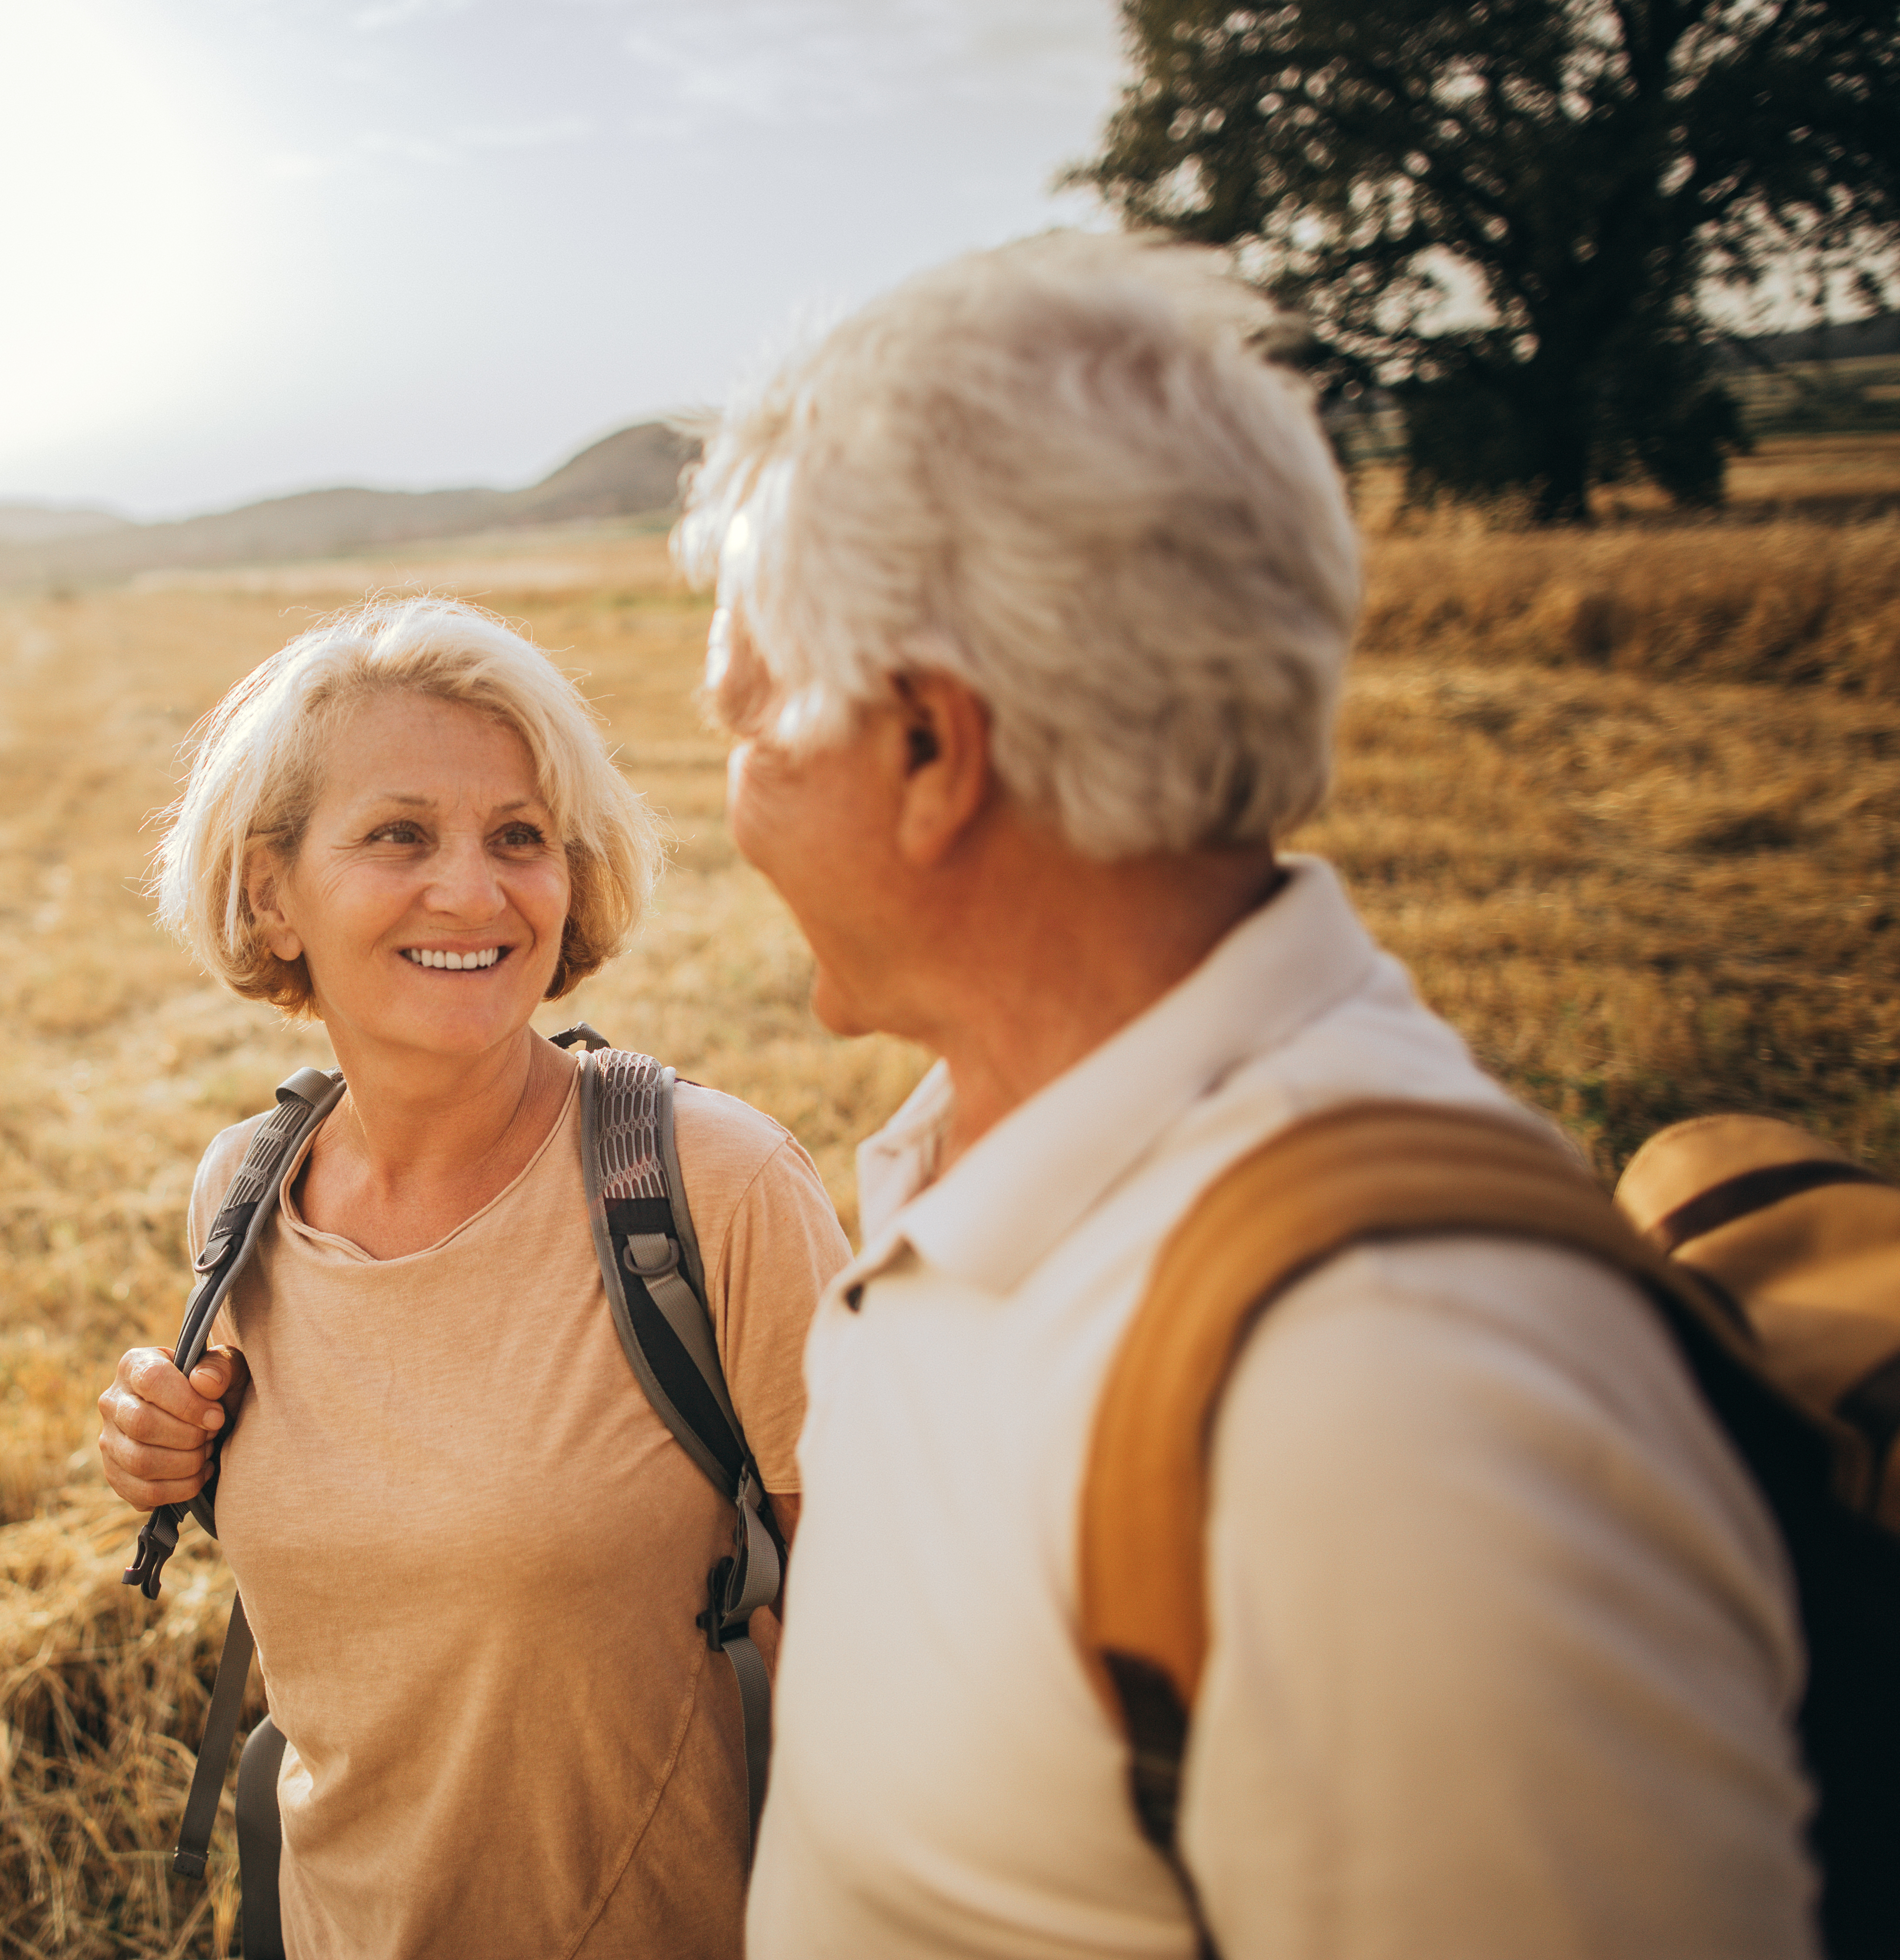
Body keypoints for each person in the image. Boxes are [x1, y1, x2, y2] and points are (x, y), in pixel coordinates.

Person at [676, 234, 1820, 1958]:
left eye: (752, 726)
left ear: (930, 752)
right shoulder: (982, 1165)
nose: (731, 800)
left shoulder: (1380, 1402)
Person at [95, 595, 852, 1958]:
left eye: (520, 838)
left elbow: (889, 1644)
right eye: (400, 835)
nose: (474, 890)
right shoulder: (242, 1193)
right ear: (272, 893)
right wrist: (175, 1455)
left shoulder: (716, 1192)